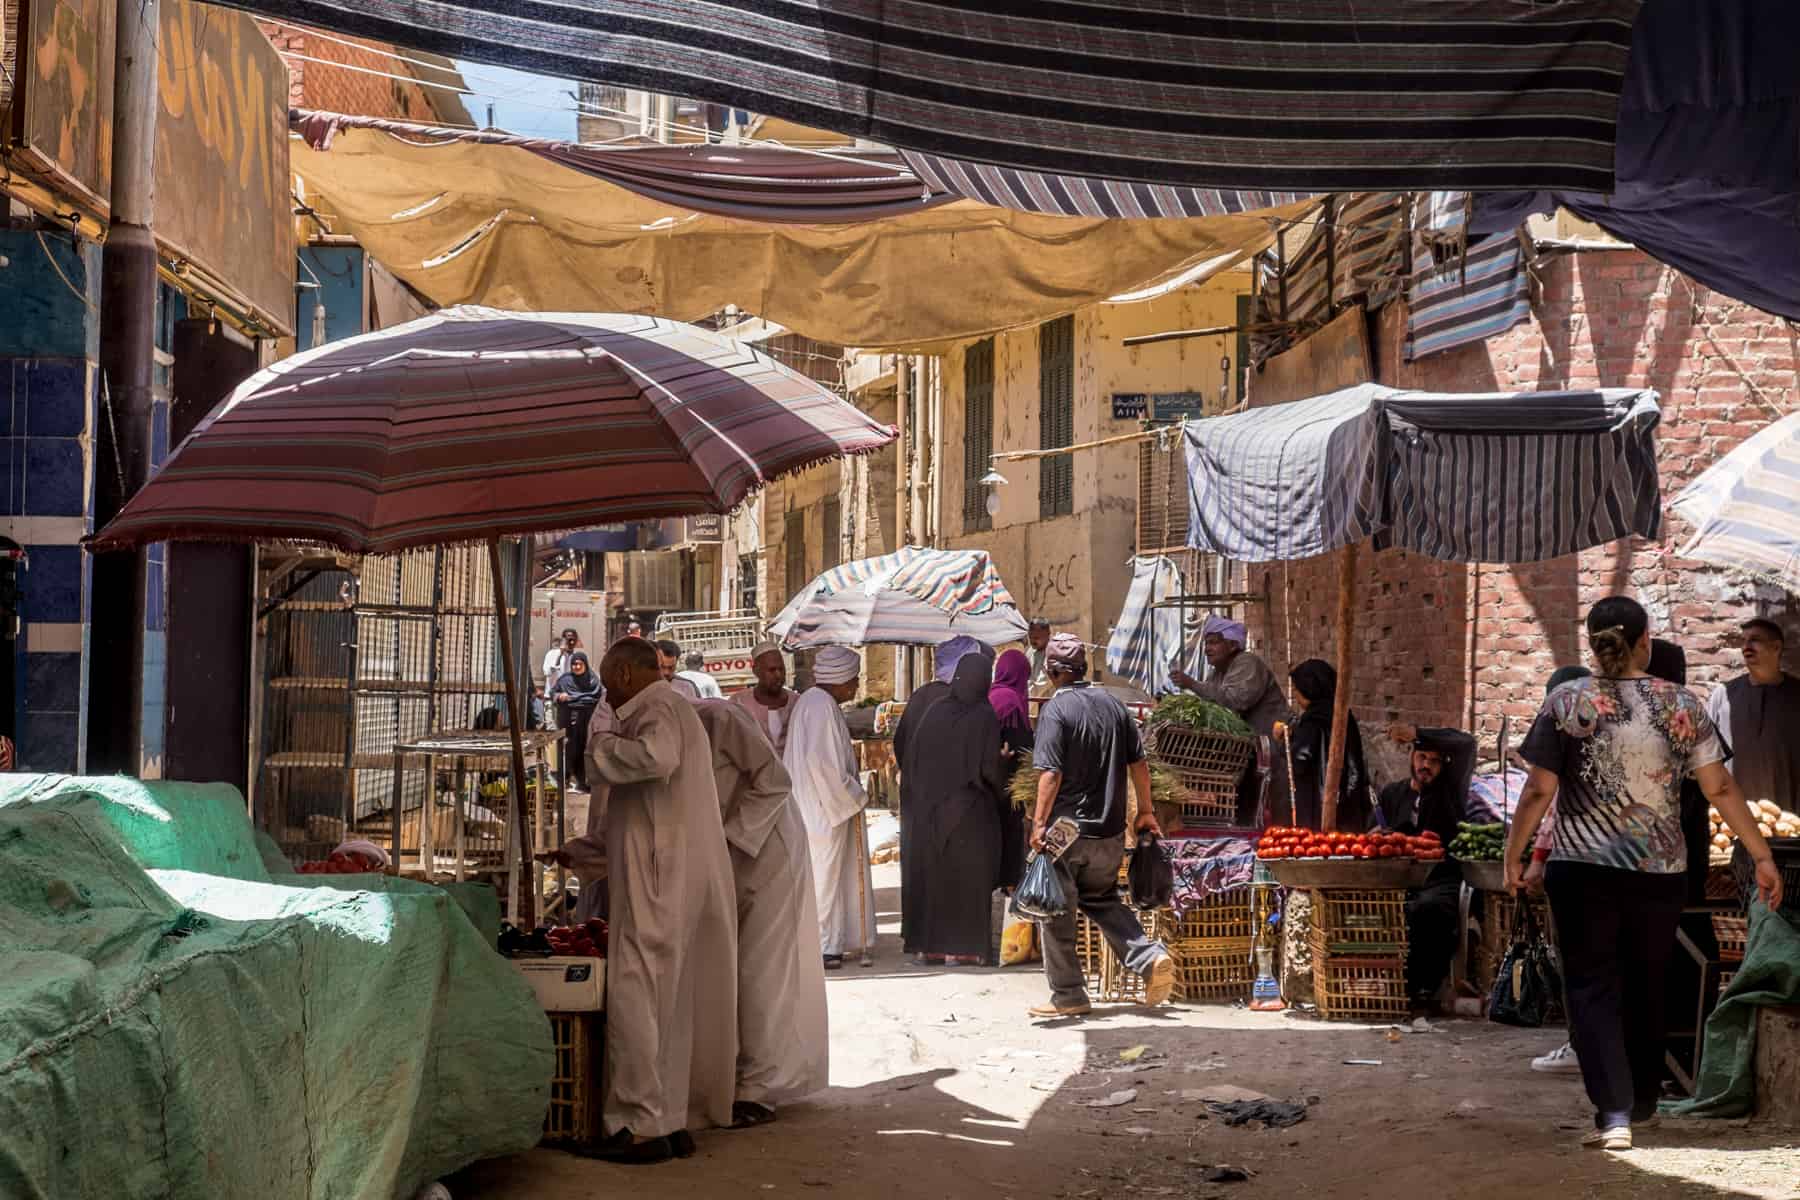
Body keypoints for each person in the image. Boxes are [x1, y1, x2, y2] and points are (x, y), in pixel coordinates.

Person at [1504, 596, 1784, 1152]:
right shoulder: (1678, 702)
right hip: (1658, 873)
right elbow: (1721, 789)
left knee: (1591, 986)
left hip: (1581, 872)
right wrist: (1762, 855)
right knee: (1645, 979)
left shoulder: (1567, 700)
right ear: (1644, 643)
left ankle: (1615, 1114)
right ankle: (1644, 1102)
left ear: (1593, 642)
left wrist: (1513, 855)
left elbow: (1539, 789)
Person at [579, 637, 738, 1164]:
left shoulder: (657, 709)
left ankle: (639, 1125)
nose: (607, 693)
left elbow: (655, 759)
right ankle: (666, 1118)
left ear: (624, 674)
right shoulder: (671, 707)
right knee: (665, 998)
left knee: (637, 992)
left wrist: (598, 749)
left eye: (607, 681)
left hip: (657, 878)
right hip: (665, 872)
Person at [690, 699, 829, 1127]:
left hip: (767, 849)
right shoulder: (654, 738)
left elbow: (774, 781)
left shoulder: (718, 718)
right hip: (729, 857)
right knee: (731, 972)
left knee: (761, 973)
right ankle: (735, 1077)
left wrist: (727, 840)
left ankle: (759, 1089)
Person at [1029, 633, 1175, 1017]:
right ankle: (1148, 957)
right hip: (1110, 831)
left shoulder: (1056, 711)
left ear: (1052, 671)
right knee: (1102, 898)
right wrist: (1145, 812)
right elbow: (1139, 765)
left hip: (1066, 833)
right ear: (1084, 669)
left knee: (1057, 911)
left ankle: (1069, 995)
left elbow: (1050, 775)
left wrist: (1038, 825)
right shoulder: (1114, 705)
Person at [900, 654, 1011, 965]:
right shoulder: (983, 715)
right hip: (970, 814)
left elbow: (913, 757)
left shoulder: (935, 711)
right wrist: (1003, 762)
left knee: (936, 881)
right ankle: (966, 949)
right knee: (968, 882)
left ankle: (932, 947)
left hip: (929, 812)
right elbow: (988, 769)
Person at [785, 646, 876, 969]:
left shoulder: (815, 702)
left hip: (816, 806)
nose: (855, 687)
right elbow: (823, 765)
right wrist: (854, 795)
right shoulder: (820, 707)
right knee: (823, 878)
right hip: (822, 810)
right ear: (839, 680)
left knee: (828, 878)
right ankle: (822, 946)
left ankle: (831, 943)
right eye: (853, 680)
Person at [1522, 664, 1591, 1077]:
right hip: (1635, 867)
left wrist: (1528, 860)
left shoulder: (1566, 735)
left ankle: (1582, 1046)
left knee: (1580, 962)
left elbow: (1544, 800)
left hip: (1578, 867)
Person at [1378, 724, 1476, 1013]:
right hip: (1398, 878)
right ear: (1411, 757)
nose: (1426, 766)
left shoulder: (1451, 790)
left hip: (1441, 878)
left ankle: (1422, 988)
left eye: (1434, 761)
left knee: (1428, 910)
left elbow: (1467, 743)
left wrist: (1418, 732)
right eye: (1421, 757)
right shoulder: (1392, 794)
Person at [1169, 616, 1288, 823]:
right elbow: (1211, 706)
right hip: (1247, 750)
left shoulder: (1247, 663)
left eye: (1214, 642)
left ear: (1232, 645)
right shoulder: (1218, 672)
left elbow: (1235, 701)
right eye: (1206, 643)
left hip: (1270, 746)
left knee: (1270, 802)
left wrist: (1191, 684)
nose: (1207, 648)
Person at [1706, 618, 1800, 823]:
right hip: (1733, 826)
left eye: (1755, 640)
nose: (1746, 647)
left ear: (1776, 647)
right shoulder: (1723, 696)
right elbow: (1706, 759)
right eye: (1744, 641)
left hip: (1790, 822)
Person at [1284, 659, 1371, 831]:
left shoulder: (1312, 719)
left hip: (1320, 804)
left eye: (1296, 689)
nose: (1295, 695)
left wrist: (1287, 741)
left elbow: (1300, 759)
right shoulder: (1343, 714)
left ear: (1309, 688)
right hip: (1348, 799)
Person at [989, 647, 1035, 888]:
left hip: (988, 782)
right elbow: (1019, 743)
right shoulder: (1011, 702)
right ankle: (1008, 882)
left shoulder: (991, 696)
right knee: (1010, 831)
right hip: (1007, 783)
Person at [552, 651, 604, 794]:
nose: (576, 667)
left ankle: (583, 782)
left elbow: (602, 695)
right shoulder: (565, 680)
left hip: (587, 720)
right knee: (569, 749)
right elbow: (553, 693)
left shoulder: (593, 680)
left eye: (579, 664)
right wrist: (559, 696)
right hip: (568, 719)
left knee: (585, 749)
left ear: (585, 665)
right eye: (574, 664)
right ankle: (565, 779)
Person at [733, 643, 797, 755]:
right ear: (755, 671)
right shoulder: (739, 702)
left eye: (781, 669)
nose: (778, 675)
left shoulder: (797, 702)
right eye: (771, 670)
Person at [544, 627, 580, 698]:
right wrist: (560, 654)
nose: (571, 642)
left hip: (568, 697)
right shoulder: (552, 654)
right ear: (563, 640)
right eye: (568, 639)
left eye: (573, 639)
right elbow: (547, 672)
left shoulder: (577, 658)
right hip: (551, 696)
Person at [1027, 619, 1053, 693]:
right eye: (1030, 637)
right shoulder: (1031, 651)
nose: (1032, 641)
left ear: (1048, 634)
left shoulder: (1052, 653)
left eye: (1036, 638)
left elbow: (1043, 683)